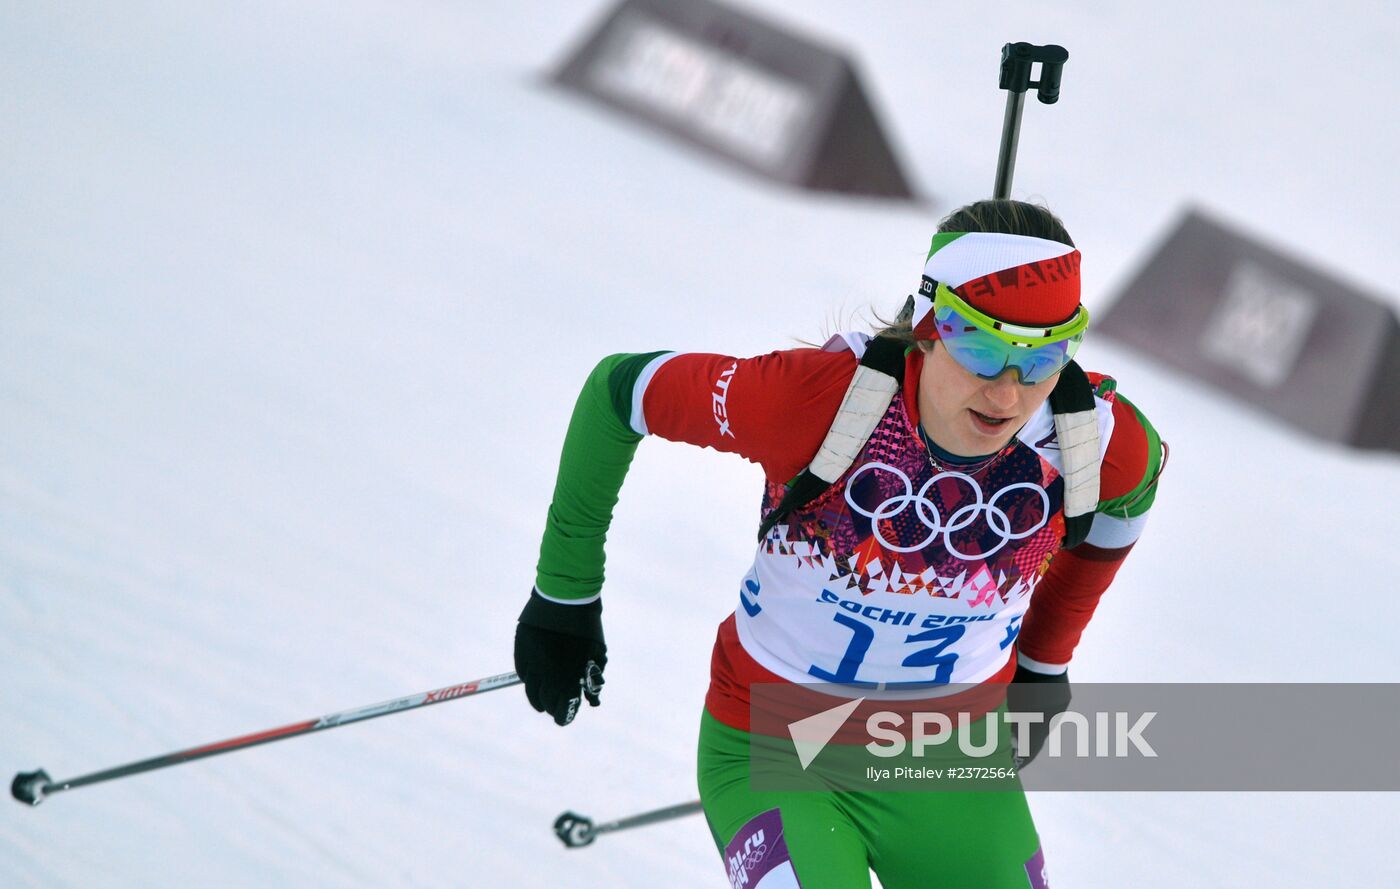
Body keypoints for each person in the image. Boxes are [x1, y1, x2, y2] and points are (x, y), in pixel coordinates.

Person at [514, 199, 1166, 888]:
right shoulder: (815, 401)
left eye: (1041, 358)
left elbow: (1129, 504)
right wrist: (565, 593)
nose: (1008, 393)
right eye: (981, 347)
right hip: (772, 743)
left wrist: (1042, 662)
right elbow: (620, 392)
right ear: (929, 325)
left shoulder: (1092, 440)